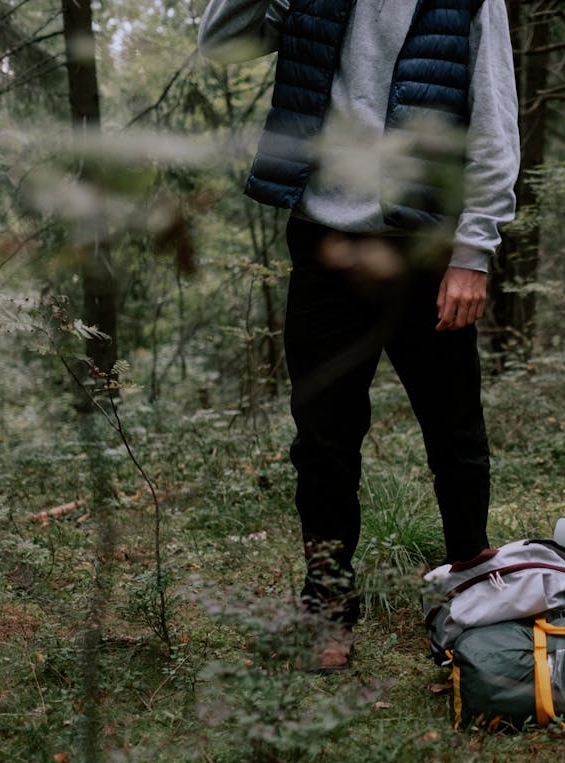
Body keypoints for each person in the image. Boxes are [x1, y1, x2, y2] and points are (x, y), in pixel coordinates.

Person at [198, 0, 520, 669]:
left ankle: (473, 585)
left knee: (455, 431)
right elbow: (222, 41)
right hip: (325, 241)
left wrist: (473, 251)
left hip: (426, 243)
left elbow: (493, 115)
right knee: (322, 439)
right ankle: (327, 607)